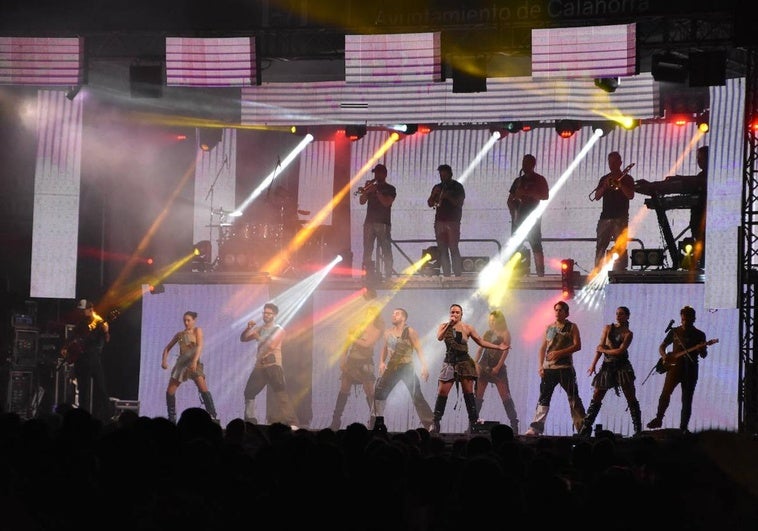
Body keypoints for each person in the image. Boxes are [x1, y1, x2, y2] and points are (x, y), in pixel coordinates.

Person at [429, 303, 510, 434]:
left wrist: (498, 347)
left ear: (461, 315)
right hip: (449, 361)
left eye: (457, 312)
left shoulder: (467, 328)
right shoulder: (444, 326)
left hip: (464, 362)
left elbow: (480, 341)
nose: (454, 314)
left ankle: (473, 422)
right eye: (452, 312)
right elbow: (439, 337)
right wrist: (449, 324)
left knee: (468, 393)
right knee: (442, 392)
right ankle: (435, 422)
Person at [647, 305, 712, 433]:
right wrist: (665, 356)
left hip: (691, 369)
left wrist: (702, 349)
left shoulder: (700, 334)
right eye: (683, 320)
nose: (685, 322)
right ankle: (658, 418)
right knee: (665, 393)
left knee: (687, 399)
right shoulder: (674, 331)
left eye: (688, 320)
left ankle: (683, 427)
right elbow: (662, 346)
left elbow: (704, 355)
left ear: (694, 319)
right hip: (674, 367)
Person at [525, 300, 586, 436]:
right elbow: (543, 347)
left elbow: (577, 346)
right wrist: (540, 366)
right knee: (544, 398)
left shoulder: (571, 327)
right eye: (556, 310)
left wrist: (560, 352)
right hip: (549, 368)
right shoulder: (551, 328)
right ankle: (535, 428)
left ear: (566, 313)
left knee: (573, 398)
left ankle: (582, 428)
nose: (557, 312)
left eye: (560, 310)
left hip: (565, 368)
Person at [578, 306, 641, 437]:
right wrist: (593, 364)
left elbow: (619, 351)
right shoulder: (607, 328)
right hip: (607, 365)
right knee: (597, 395)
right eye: (617, 313)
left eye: (622, 314)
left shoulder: (628, 333)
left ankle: (638, 429)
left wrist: (604, 351)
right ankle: (585, 428)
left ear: (627, 316)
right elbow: (600, 346)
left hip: (622, 366)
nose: (618, 316)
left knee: (630, 396)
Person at [373, 308, 434, 432]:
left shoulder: (410, 331)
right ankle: (376, 423)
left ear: (404, 318)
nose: (394, 315)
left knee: (416, 395)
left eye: (397, 313)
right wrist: (381, 362)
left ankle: (430, 424)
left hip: (406, 368)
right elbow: (385, 348)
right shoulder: (388, 332)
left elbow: (419, 349)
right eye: (393, 313)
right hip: (392, 367)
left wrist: (424, 366)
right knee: (379, 394)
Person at [240, 302, 299, 426]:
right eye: (264, 313)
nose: (266, 315)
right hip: (260, 366)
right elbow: (243, 339)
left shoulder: (279, 329)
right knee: (249, 392)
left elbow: (272, 345)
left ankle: (292, 422)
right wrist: (248, 328)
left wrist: (258, 337)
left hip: (273, 366)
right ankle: (250, 420)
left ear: (274, 315)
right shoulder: (259, 329)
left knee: (280, 394)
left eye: (268, 313)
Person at [329, 307, 385, 430]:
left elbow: (367, 343)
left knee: (369, 391)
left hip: (365, 362)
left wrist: (352, 337)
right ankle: (336, 420)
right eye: (368, 313)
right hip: (352, 361)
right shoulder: (357, 327)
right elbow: (346, 344)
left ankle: (375, 421)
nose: (369, 315)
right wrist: (343, 358)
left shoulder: (377, 329)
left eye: (372, 313)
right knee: (344, 388)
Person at [160, 310, 218, 423]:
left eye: (188, 320)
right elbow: (167, 348)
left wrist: (195, 361)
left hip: (194, 362)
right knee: (170, 391)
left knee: (203, 389)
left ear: (194, 321)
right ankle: (172, 419)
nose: (186, 323)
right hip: (181, 363)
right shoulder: (180, 334)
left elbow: (200, 346)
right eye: (184, 320)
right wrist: (164, 361)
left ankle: (212, 416)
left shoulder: (197, 330)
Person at [61, 299, 111, 421]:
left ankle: (108, 414)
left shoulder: (99, 322)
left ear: (90, 309)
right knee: (83, 390)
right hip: (81, 360)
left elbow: (107, 340)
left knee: (101, 388)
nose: (81, 312)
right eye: (81, 310)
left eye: (83, 310)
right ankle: (83, 417)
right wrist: (65, 347)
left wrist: (106, 332)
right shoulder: (81, 323)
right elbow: (72, 336)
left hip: (93, 359)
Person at [473, 309, 519, 433]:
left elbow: (505, 351)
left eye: (494, 320)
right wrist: (475, 363)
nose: (492, 323)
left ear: (499, 320)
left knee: (505, 395)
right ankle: (472, 423)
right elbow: (480, 349)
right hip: (484, 366)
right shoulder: (487, 333)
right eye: (490, 320)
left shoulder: (505, 333)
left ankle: (514, 424)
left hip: (497, 367)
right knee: (478, 395)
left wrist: (498, 367)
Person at [591, 151, 635, 272]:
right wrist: (604, 186)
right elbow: (596, 196)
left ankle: (620, 271)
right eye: (610, 162)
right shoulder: (604, 178)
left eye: (615, 162)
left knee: (620, 247)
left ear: (620, 163)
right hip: (605, 217)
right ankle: (597, 271)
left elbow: (630, 195)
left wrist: (620, 184)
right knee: (600, 246)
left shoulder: (627, 178)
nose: (612, 165)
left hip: (620, 218)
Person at [507, 154, 549, 277]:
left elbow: (545, 196)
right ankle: (515, 272)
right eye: (523, 163)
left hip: (532, 217)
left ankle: (540, 273)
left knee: (535, 243)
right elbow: (509, 199)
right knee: (515, 245)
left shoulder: (539, 179)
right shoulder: (518, 181)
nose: (524, 166)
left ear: (533, 165)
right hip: (518, 216)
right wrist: (513, 212)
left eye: (527, 163)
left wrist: (526, 193)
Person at [667, 145, 708, 268]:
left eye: (701, 159)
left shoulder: (711, 175)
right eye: (698, 159)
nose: (699, 162)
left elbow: (699, 181)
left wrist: (679, 178)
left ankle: (704, 265)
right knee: (699, 241)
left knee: (705, 243)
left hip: (706, 221)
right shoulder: (701, 175)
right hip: (697, 219)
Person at [359, 163, 396, 281]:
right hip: (369, 222)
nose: (376, 175)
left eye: (378, 173)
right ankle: (366, 274)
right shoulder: (371, 187)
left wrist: (376, 192)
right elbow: (362, 201)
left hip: (383, 223)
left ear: (384, 174)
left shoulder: (390, 188)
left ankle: (388, 275)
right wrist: (366, 191)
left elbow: (387, 203)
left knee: (386, 249)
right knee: (367, 248)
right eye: (375, 173)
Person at [426, 164, 465, 277]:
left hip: (453, 221)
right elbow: (430, 203)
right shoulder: (437, 187)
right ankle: (446, 274)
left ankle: (457, 274)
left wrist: (447, 196)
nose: (442, 177)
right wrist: (434, 194)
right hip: (439, 221)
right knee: (442, 248)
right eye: (441, 175)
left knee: (453, 247)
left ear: (450, 174)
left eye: (444, 174)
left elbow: (459, 203)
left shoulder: (457, 187)